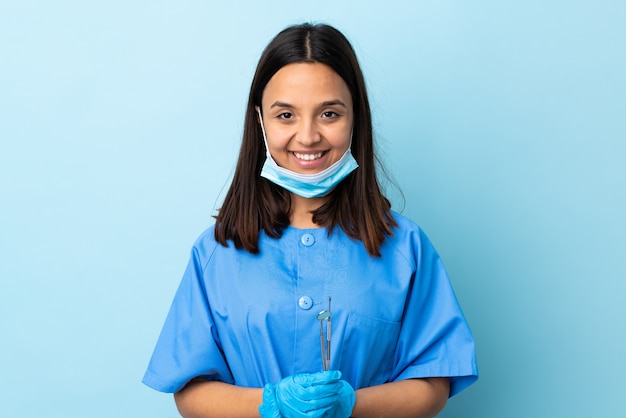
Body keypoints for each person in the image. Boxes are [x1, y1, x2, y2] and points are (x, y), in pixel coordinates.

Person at [142, 22, 478, 418]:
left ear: (355, 118)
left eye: (329, 114)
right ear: (260, 121)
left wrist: (352, 404)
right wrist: (271, 404)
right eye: (285, 114)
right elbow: (189, 392)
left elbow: (433, 383)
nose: (307, 136)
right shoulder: (216, 251)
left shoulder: (405, 247)